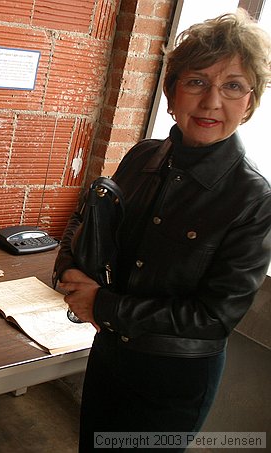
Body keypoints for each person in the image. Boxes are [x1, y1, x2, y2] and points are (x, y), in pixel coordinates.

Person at [53, 10, 271, 452]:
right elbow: (88, 219)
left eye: (232, 86)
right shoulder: (143, 156)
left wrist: (105, 304)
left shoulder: (252, 198)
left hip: (171, 382)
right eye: (196, 81)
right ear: (171, 92)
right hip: (110, 355)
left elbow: (213, 318)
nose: (211, 102)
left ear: (249, 103)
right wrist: (69, 272)